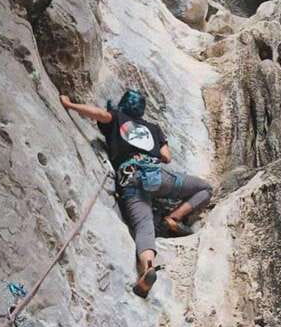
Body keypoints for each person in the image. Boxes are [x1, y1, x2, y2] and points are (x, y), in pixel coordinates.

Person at [60, 90, 213, 298]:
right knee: (204, 188)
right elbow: (166, 157)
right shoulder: (153, 128)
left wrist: (70, 105)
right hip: (157, 176)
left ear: (122, 105)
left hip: (130, 177)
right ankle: (174, 218)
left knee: (144, 226)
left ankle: (148, 267)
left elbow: (100, 115)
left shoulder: (117, 117)